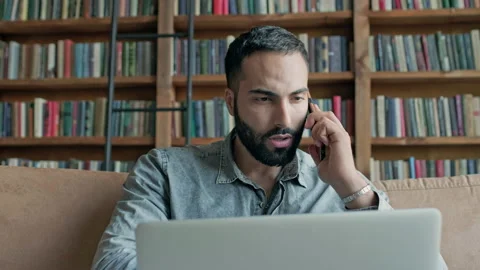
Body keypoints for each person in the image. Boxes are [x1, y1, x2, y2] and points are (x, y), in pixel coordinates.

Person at [91, 25, 447, 270]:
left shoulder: (341, 185)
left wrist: (351, 184)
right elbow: (113, 263)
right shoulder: (165, 172)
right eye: (264, 98)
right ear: (231, 102)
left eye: (297, 98)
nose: (283, 117)